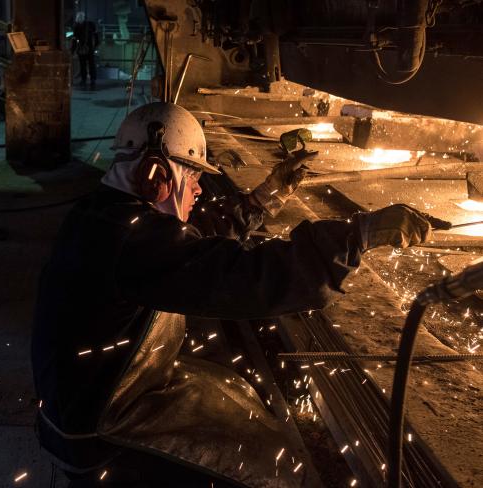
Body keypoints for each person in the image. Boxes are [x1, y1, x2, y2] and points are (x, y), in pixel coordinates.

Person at [32, 102, 443, 487]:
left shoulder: (111, 214)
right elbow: (246, 277)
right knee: (263, 456)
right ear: (156, 173)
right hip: (99, 429)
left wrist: (268, 195)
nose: (196, 191)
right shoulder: (129, 241)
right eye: (191, 176)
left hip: (90, 401)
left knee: (233, 390)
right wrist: (357, 237)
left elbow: (193, 243)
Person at [72, 11, 99, 89]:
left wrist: (73, 50)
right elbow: (96, 35)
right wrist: (96, 44)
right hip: (89, 47)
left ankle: (84, 80)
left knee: (83, 65)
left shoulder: (76, 26)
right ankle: (92, 80)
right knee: (91, 64)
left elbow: (74, 39)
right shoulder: (90, 25)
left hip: (81, 48)